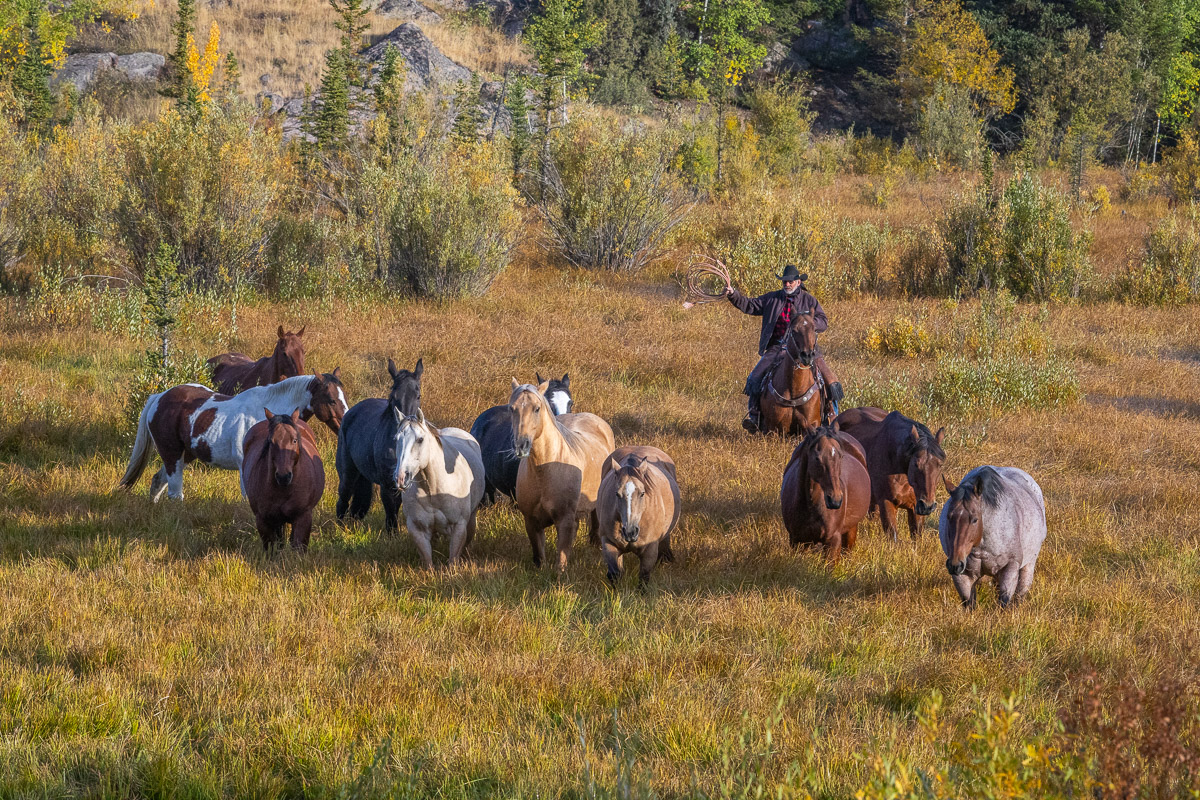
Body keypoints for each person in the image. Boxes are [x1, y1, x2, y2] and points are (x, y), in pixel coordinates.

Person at [725, 264, 844, 433]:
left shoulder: (809, 300)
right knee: (754, 378)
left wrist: (807, 324)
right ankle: (755, 416)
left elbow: (823, 321)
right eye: (784, 282)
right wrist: (732, 294)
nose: (787, 285)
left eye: (790, 282)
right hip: (777, 347)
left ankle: (832, 417)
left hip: (806, 348)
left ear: (798, 282)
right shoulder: (773, 299)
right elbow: (749, 305)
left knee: (831, 381)